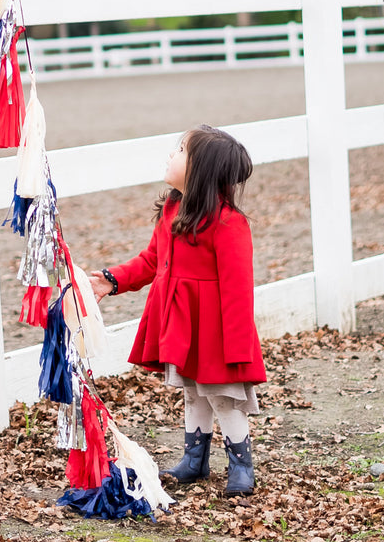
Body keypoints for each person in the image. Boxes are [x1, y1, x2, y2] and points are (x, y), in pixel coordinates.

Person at [89, 125, 265, 496]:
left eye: (180, 150)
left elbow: (238, 291)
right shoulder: (172, 210)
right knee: (192, 392)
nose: (171, 155)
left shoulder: (229, 223)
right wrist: (112, 279)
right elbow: (152, 260)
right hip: (182, 326)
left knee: (222, 396)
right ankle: (194, 461)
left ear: (199, 169)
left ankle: (241, 465)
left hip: (216, 331)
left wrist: (237, 349)